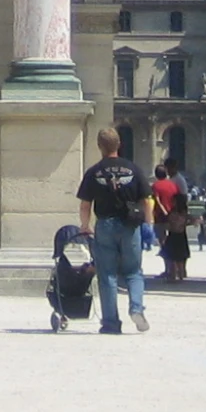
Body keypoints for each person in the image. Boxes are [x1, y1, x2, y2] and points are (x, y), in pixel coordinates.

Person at [76, 127, 151, 335]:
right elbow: (146, 199)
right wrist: (149, 224)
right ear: (119, 145)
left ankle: (110, 322)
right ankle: (136, 307)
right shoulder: (133, 169)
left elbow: (85, 204)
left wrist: (85, 225)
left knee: (107, 274)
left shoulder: (94, 172)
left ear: (100, 146)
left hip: (105, 224)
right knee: (134, 272)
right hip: (130, 225)